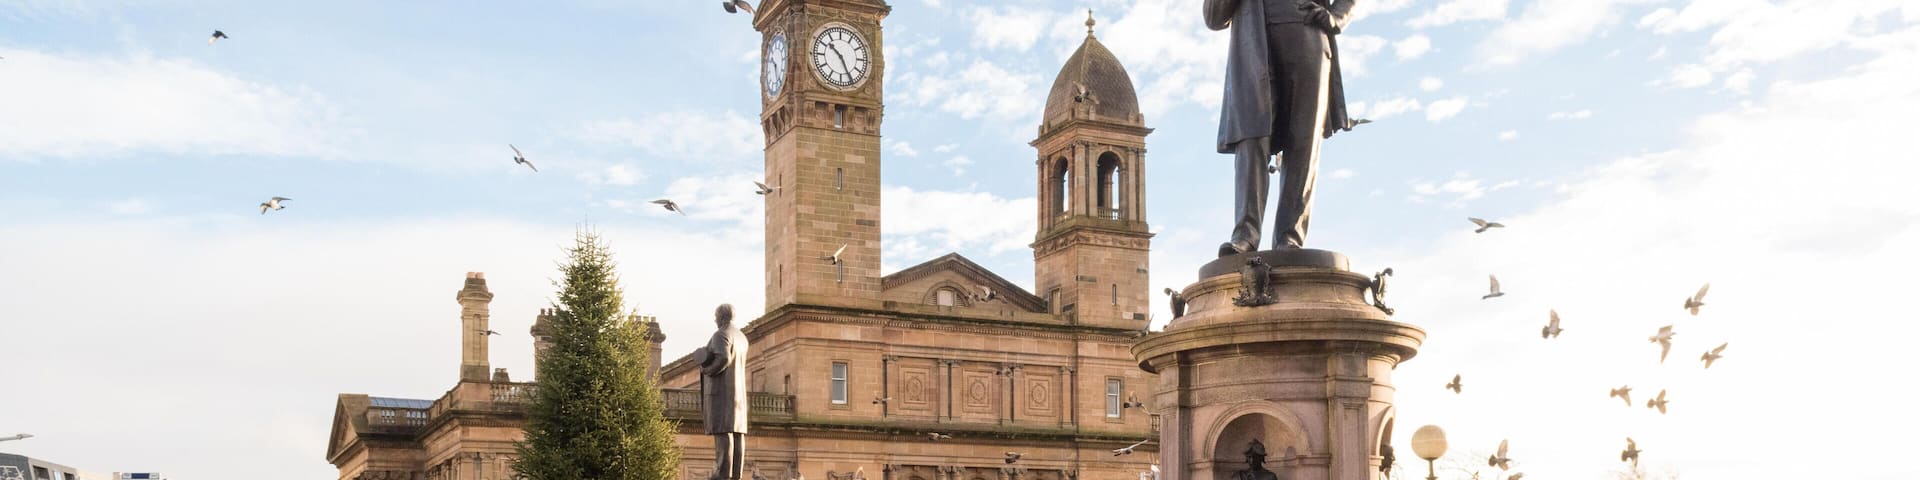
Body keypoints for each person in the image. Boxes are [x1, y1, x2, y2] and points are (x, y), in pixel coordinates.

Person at [1205, 0, 1361, 256]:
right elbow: (1214, 17)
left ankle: (1290, 236)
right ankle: (1245, 235)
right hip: (1253, 43)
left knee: (1303, 143)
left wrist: (1337, 16)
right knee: (1251, 137)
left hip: (1308, 37)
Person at [698, 304, 749, 480]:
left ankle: (722, 474)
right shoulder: (741, 337)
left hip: (721, 393)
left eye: (715, 316)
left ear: (721, 317)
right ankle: (735, 475)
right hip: (738, 396)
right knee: (736, 433)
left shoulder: (721, 334)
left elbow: (724, 357)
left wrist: (707, 370)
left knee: (724, 432)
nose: (714, 319)